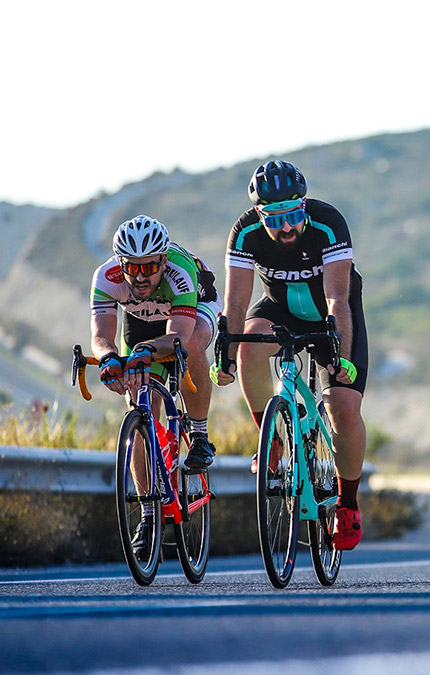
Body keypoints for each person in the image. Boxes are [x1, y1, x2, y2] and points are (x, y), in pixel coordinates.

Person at [213, 160, 369, 550]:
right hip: (278, 308)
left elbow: (337, 298)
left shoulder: (328, 222)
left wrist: (341, 356)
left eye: (293, 215)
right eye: (274, 218)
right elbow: (235, 301)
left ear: (304, 205)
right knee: (249, 345)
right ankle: (272, 440)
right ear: (259, 214)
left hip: (331, 313)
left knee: (343, 406)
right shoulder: (245, 232)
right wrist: (226, 355)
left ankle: (347, 504)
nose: (285, 227)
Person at [90, 215, 222, 556]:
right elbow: (101, 337)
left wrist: (144, 352)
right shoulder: (106, 278)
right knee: (139, 405)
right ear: (121, 264)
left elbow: (179, 335)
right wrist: (109, 361)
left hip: (192, 309)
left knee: (189, 347)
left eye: (149, 267)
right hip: (140, 318)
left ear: (163, 259)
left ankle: (200, 434)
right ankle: (148, 515)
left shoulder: (180, 270)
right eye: (132, 268)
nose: (141, 275)